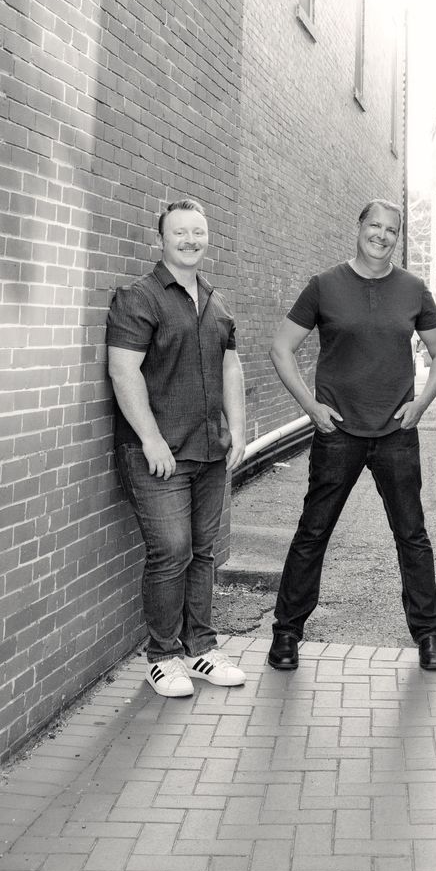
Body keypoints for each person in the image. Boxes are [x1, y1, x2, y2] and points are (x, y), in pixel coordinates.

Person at [266, 199, 436, 673]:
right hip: (338, 433)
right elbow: (281, 348)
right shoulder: (324, 286)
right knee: (313, 531)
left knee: (412, 534)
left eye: (392, 230)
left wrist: (421, 403)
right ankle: (286, 633)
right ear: (359, 227)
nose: (382, 236)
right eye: (375, 226)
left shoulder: (413, 289)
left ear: (398, 238)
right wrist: (311, 407)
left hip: (396, 433)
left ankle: (429, 635)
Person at [107, 199, 247, 698]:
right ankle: (163, 657)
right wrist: (150, 439)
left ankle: (200, 648)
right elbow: (123, 370)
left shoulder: (215, 301)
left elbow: (230, 366)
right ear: (161, 239)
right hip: (158, 454)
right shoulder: (139, 298)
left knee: (202, 553)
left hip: (208, 450)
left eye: (198, 232)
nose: (190, 240)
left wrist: (239, 430)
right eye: (180, 232)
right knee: (171, 553)